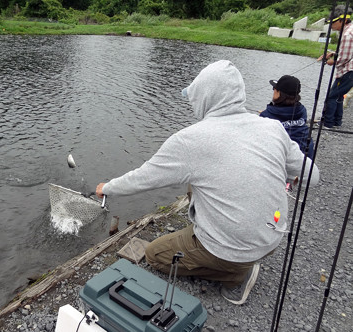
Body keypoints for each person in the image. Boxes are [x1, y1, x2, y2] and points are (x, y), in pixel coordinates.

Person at [96, 60, 319, 305]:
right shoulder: (272, 127)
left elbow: (143, 178)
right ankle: (237, 256)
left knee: (154, 255)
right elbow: (312, 175)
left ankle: (234, 273)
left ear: (206, 96)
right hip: (272, 236)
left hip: (231, 250)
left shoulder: (190, 140)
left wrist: (107, 187)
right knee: (195, 180)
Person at [260, 75, 315, 160]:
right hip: (305, 156)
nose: (273, 91)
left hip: (282, 159)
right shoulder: (302, 110)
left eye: (274, 89)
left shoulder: (266, 115)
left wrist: (265, 113)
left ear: (278, 93)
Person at [317, 4, 353, 128]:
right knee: (338, 96)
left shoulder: (347, 35)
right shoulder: (349, 30)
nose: (331, 26)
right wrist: (331, 54)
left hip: (349, 71)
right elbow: (346, 52)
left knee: (331, 96)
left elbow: (344, 58)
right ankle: (337, 122)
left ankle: (327, 124)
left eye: (333, 23)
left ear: (342, 21)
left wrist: (331, 61)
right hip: (348, 70)